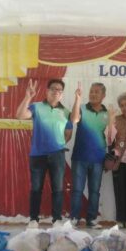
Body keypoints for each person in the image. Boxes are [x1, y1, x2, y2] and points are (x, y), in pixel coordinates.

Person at [16, 79, 73, 228]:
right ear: (47, 91)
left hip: (57, 156)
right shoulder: (37, 107)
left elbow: (68, 133)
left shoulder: (66, 112)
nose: (56, 92)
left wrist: (56, 144)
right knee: (36, 188)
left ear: (62, 94)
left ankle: (56, 220)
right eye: (53, 89)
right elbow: (20, 115)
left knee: (58, 189)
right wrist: (28, 96)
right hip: (37, 155)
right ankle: (34, 219)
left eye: (59, 90)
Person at [70, 82, 108, 229]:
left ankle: (91, 219)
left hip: (98, 159)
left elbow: (111, 135)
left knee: (94, 191)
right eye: (91, 91)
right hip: (80, 158)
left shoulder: (107, 113)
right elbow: (74, 120)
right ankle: (74, 218)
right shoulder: (82, 109)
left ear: (103, 96)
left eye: (97, 92)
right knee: (77, 190)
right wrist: (78, 99)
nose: (93, 94)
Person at [106, 92, 126, 228]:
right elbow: (108, 139)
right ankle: (121, 219)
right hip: (118, 161)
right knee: (119, 191)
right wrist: (110, 119)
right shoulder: (116, 119)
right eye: (122, 105)